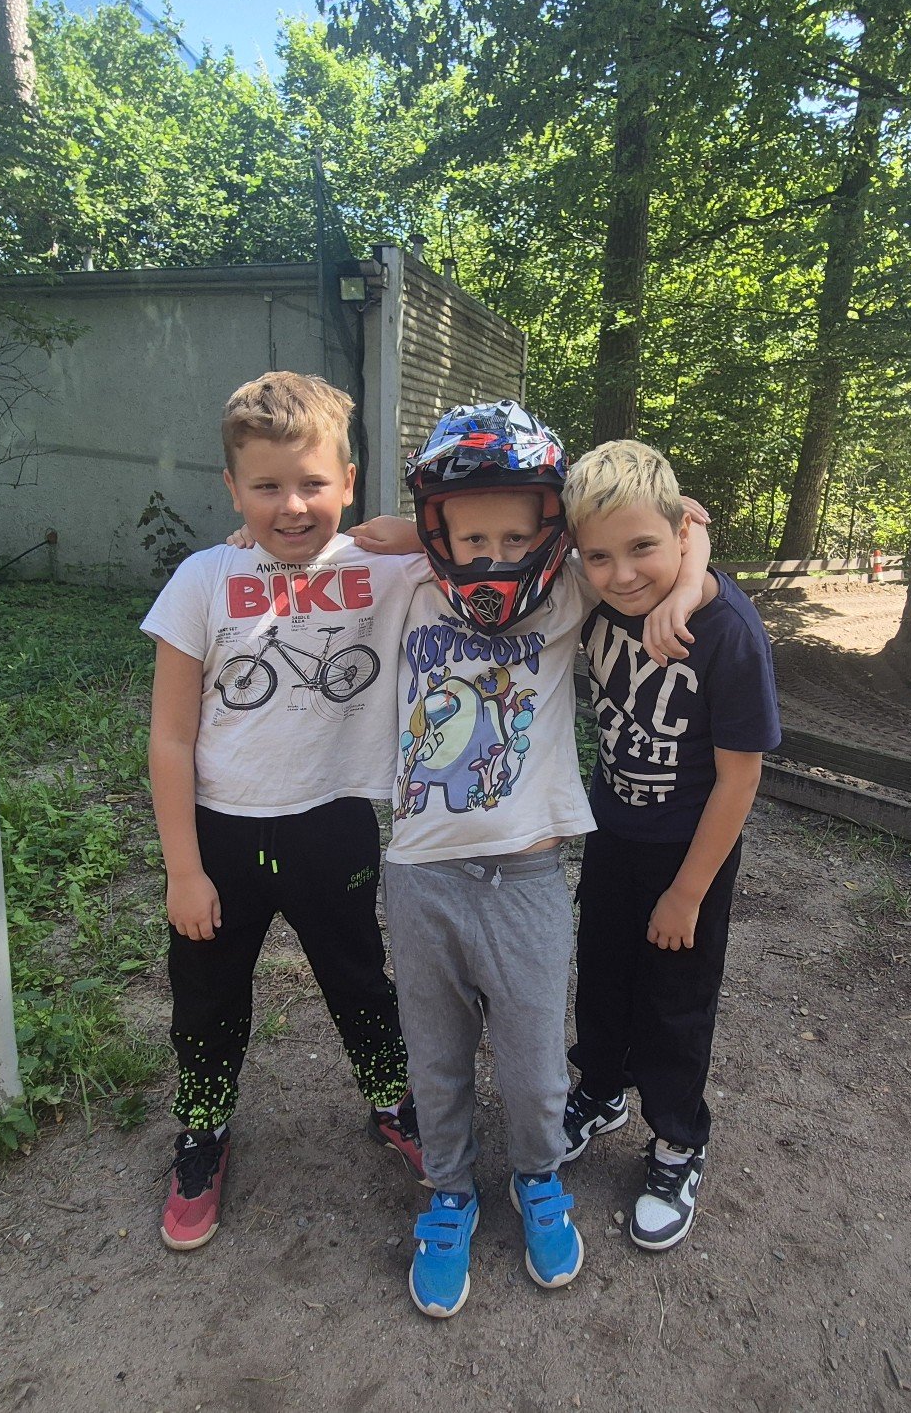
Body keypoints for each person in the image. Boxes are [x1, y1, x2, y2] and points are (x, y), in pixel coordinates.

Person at [359, 402, 710, 1317]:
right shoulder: (408, 583)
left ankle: (537, 1176)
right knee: (435, 1056)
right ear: (437, 531)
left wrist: (684, 592)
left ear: (549, 530)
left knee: (534, 1064)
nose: (493, 556)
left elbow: (683, 524)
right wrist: (258, 538)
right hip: (422, 874)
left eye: (516, 536)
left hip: (527, 876)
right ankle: (448, 1190)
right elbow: (323, 546)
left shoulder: (571, 590)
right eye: (471, 537)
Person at [141, 371, 428, 1252]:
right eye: (266, 486)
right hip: (221, 835)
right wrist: (183, 870)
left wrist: (412, 529)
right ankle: (203, 1128)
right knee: (207, 996)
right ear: (232, 489)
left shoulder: (388, 566)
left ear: (350, 480)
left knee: (360, 979)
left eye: (312, 483)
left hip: (332, 823)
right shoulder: (203, 577)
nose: (292, 506)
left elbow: (525, 540)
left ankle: (393, 1102)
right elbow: (171, 739)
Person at [557, 438, 781, 1251]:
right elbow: (496, 541)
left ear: (682, 534)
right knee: (602, 977)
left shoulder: (729, 633)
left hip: (691, 856)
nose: (621, 574)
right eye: (600, 556)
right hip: (613, 834)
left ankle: (680, 1139)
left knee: (675, 1005)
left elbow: (740, 781)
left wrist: (687, 893)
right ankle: (601, 1090)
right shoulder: (593, 599)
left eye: (642, 549)